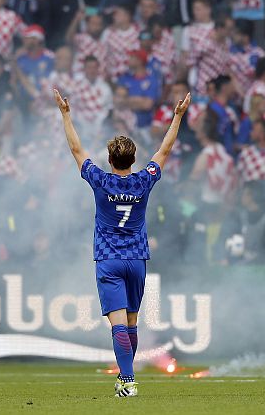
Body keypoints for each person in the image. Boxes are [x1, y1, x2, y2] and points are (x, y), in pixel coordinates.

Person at [53, 87, 191, 397]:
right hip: (137, 259)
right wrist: (178, 116)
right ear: (134, 159)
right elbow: (165, 150)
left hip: (109, 259)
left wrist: (65, 114)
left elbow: (76, 149)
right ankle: (126, 377)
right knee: (131, 323)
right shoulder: (144, 180)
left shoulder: (101, 180)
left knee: (118, 325)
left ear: (109, 159)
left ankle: (128, 380)